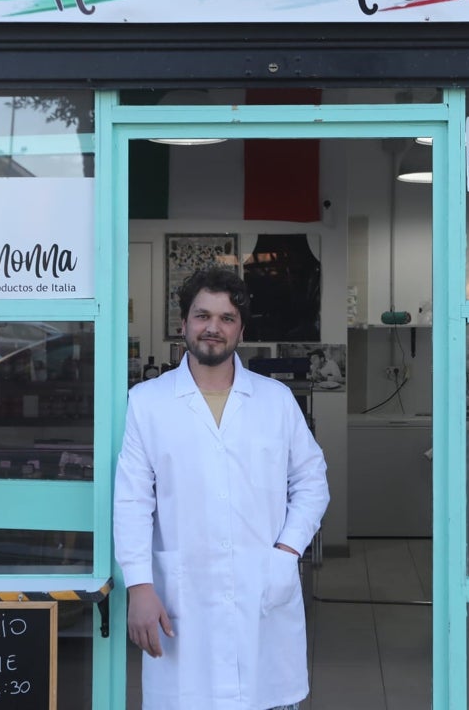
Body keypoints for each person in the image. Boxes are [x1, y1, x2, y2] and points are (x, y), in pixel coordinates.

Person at [114, 267, 330, 710]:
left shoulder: (275, 401)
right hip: (182, 602)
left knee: (266, 698)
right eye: (202, 315)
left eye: (226, 318)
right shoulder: (147, 402)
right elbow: (132, 500)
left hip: (262, 595)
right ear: (183, 325)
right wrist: (139, 585)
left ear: (241, 330)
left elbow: (312, 480)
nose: (213, 327)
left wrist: (287, 551)